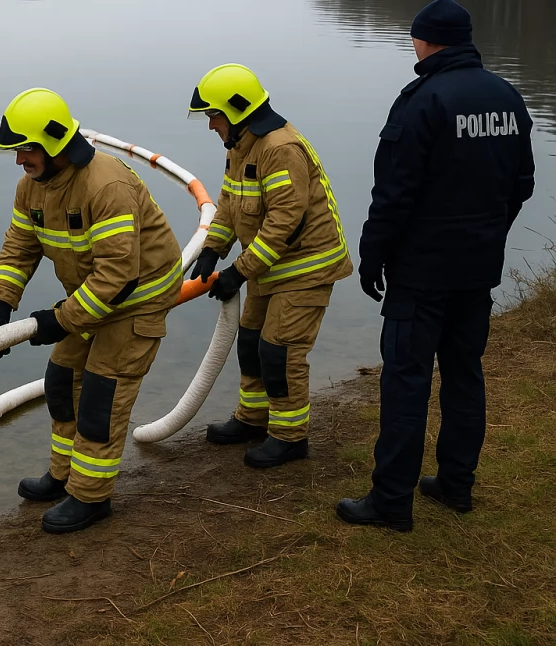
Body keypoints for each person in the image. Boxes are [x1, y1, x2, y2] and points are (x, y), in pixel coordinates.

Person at [337, 0, 535, 532]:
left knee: (406, 381)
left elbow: (394, 194)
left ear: (426, 41)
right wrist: (488, 235)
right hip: (478, 270)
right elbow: (522, 186)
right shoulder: (508, 97)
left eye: (415, 38)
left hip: (421, 274)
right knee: (465, 374)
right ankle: (456, 485)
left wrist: (373, 255)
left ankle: (391, 500)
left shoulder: (421, 101)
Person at [0, 88, 183, 534]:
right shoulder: (33, 186)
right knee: (61, 380)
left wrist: (60, 320)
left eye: (26, 150)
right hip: (94, 298)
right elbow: (18, 249)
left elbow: (119, 276)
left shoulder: (106, 186)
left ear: (54, 145)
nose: (19, 161)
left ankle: (91, 498)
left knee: (100, 395)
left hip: (137, 299)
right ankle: (63, 474)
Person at [185, 64, 352, 468]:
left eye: (214, 115)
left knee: (280, 352)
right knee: (251, 343)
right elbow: (228, 202)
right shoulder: (242, 145)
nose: (210, 126)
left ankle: (290, 437)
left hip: (306, 268)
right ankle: (254, 418)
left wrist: (237, 272)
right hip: (269, 268)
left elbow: (283, 223)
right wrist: (213, 249)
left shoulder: (280, 149)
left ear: (238, 112)